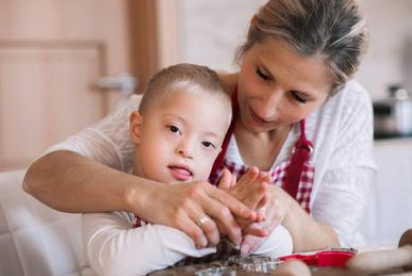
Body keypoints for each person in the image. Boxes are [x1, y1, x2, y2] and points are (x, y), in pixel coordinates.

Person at [23, 0, 376, 257]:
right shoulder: (190, 98)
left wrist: (281, 209)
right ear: (251, 35)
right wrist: (148, 196)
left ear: (332, 94)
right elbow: (43, 174)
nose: (266, 108)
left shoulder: (347, 109)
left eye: (298, 97)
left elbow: (340, 240)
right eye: (262, 75)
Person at [83, 63, 293, 276]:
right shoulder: (112, 199)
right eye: (174, 129)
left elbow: (282, 246)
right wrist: (212, 227)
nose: (188, 150)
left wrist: (244, 223)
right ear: (138, 128)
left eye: (207, 144)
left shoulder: (217, 200)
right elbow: (116, 264)